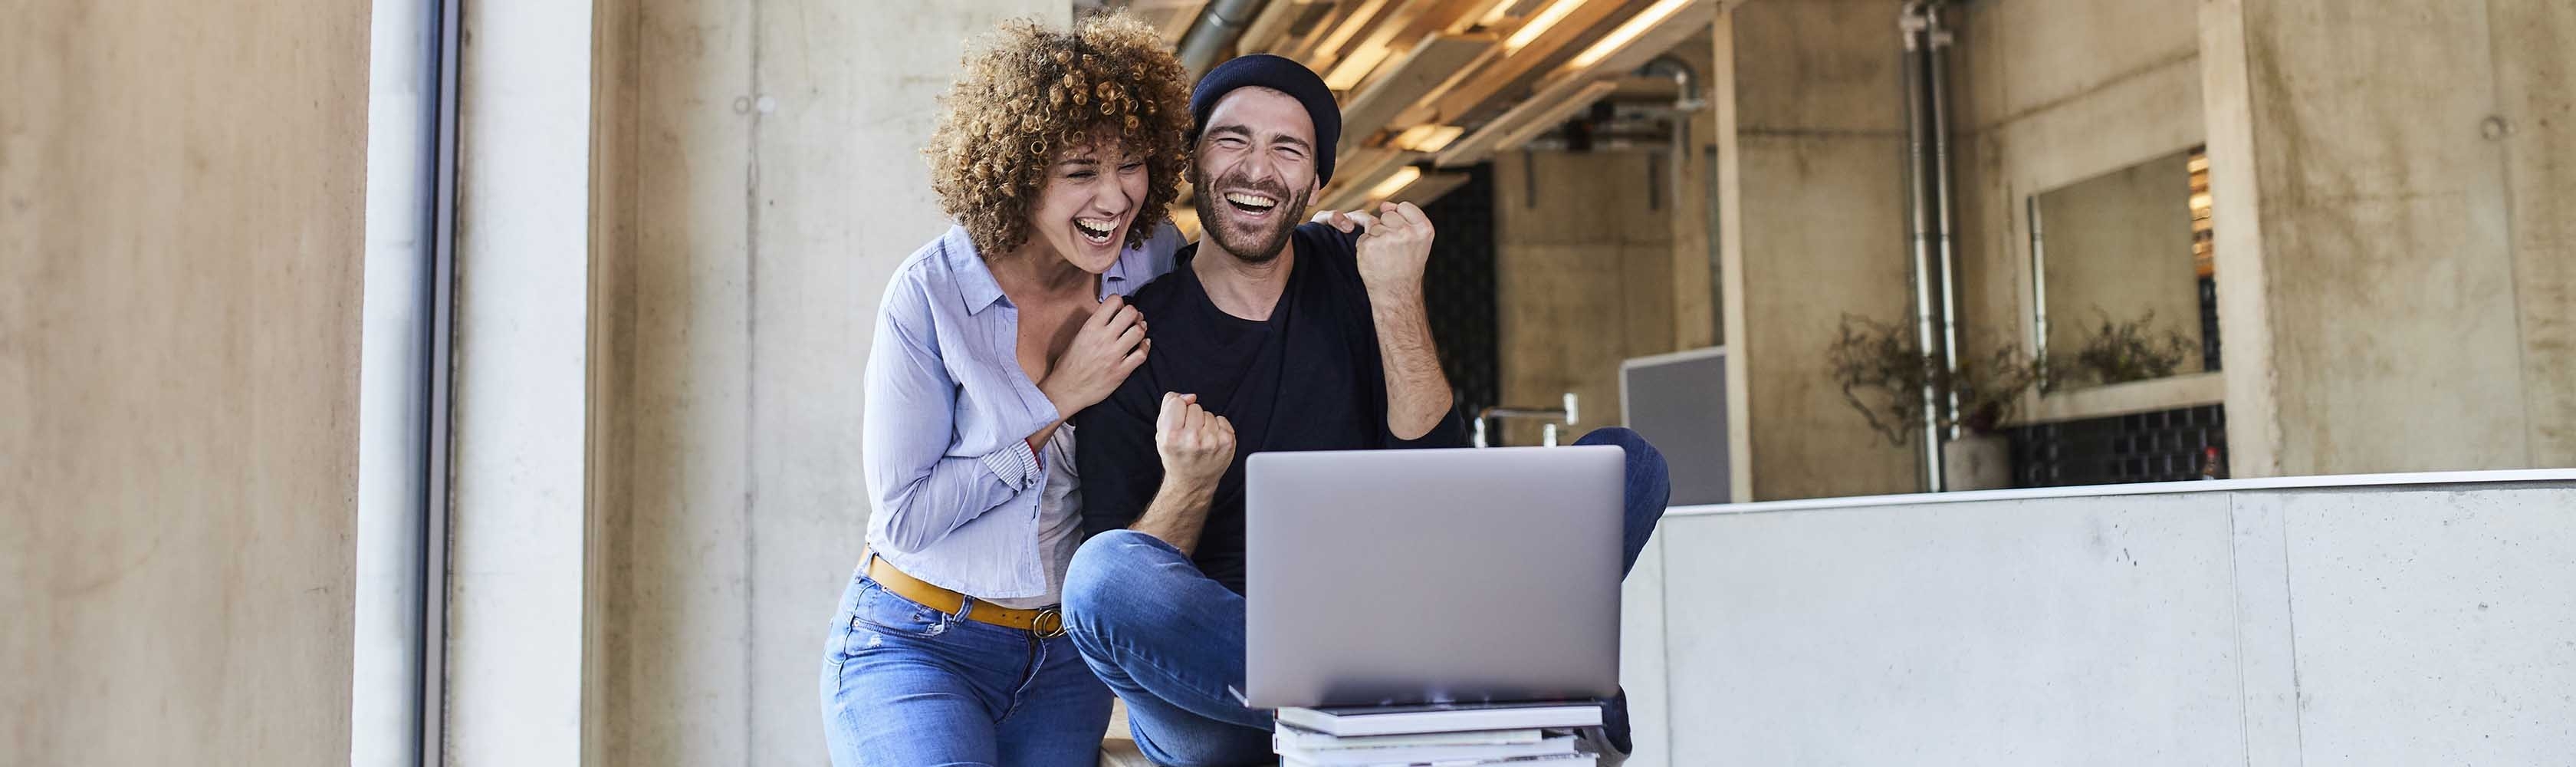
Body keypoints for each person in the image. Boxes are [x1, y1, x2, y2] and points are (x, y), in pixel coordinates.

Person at [1060, 54, 1672, 766]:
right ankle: (1452, 696)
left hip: (1396, 617)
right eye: (1232, 140)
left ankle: (1412, 696)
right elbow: (1123, 601)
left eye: (1287, 149)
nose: (1256, 169)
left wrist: (1395, 295)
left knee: (1631, 462)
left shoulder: (1360, 271)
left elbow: (1435, 475)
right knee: (1101, 576)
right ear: (1194, 163)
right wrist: (1188, 486)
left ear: (1317, 185)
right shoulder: (1132, 335)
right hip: (1226, 701)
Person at [816, 13, 1194, 767]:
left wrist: (1326, 253)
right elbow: (909, 515)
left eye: (1131, 164)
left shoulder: (1152, 258)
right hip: (917, 645)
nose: (1115, 197)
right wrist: (1054, 399)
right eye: (1081, 170)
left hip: (1065, 664)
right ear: (1019, 173)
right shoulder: (931, 295)